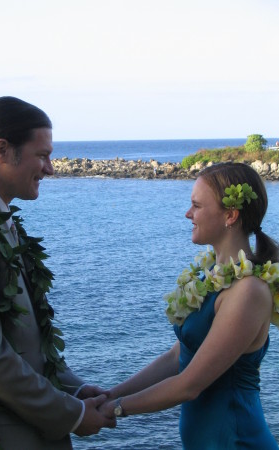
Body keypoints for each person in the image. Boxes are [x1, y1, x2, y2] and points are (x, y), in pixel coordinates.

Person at [0, 96, 115, 450]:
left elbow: (22, 340)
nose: (50, 169)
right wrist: (74, 415)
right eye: (42, 155)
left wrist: (74, 388)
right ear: (2, 151)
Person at [100, 162, 279, 449]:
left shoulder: (248, 292)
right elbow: (177, 356)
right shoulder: (210, 277)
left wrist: (117, 409)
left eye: (196, 205)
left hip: (236, 442)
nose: (188, 214)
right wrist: (110, 394)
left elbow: (189, 385)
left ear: (230, 215)